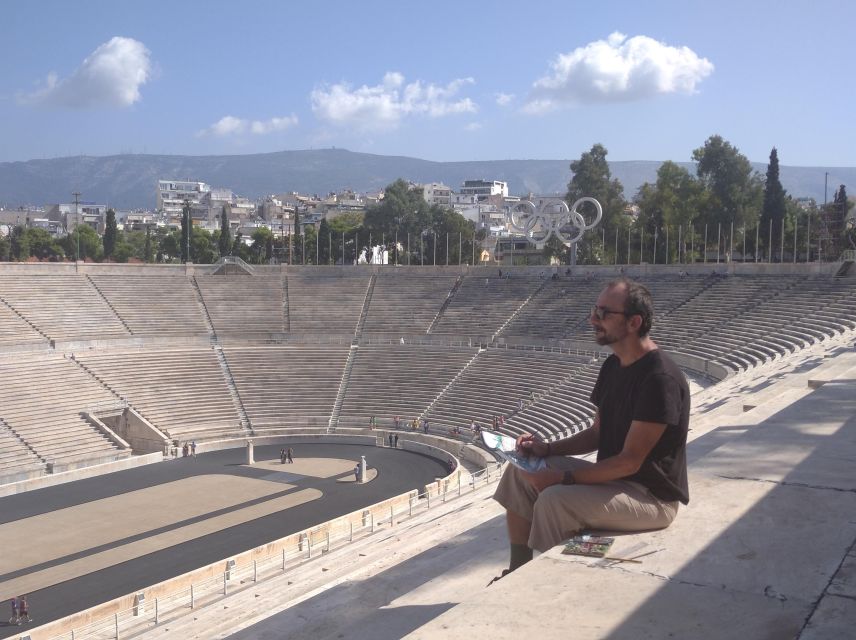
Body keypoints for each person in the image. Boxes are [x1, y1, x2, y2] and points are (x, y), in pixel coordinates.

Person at [492, 278, 689, 579]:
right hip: (615, 482)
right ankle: (518, 569)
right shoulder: (613, 365)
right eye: (595, 310)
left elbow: (629, 461)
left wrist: (561, 478)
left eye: (603, 313)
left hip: (651, 498)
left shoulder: (659, 379)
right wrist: (547, 449)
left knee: (554, 499)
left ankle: (550, 580)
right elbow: (598, 433)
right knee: (521, 470)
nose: (592, 319)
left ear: (634, 322)